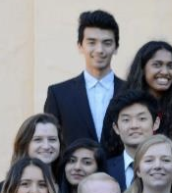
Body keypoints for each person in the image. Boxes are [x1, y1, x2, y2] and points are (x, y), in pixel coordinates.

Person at [44, 10, 126, 146]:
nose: (99, 50)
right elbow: (50, 142)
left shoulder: (133, 90)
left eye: (107, 42)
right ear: (80, 46)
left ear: (116, 47)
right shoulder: (58, 94)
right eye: (92, 42)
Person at [126, 40, 172, 141]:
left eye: (170, 66)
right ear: (142, 68)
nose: (165, 72)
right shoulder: (123, 106)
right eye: (157, 65)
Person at [0, 114, 63, 193]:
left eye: (52, 139)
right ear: (24, 144)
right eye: (38, 139)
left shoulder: (68, 186)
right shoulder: (3, 189)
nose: (46, 146)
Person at [102, 90, 161, 191]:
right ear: (116, 127)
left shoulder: (171, 167)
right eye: (126, 120)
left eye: (142, 118)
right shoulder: (104, 171)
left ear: (156, 123)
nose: (134, 126)